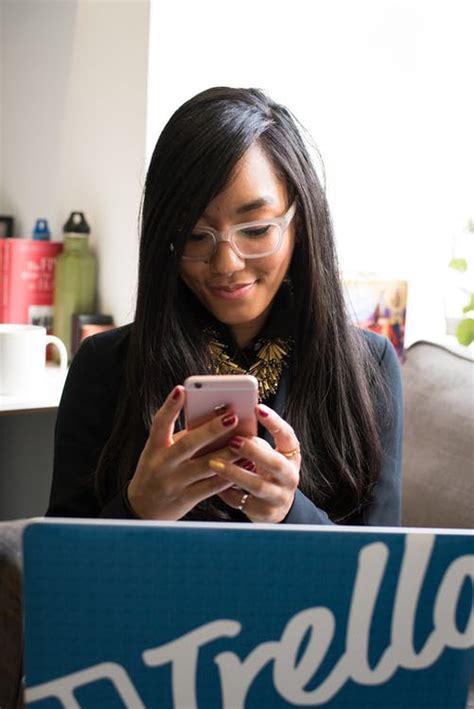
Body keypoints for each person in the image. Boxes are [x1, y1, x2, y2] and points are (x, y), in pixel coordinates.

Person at [47, 87, 402, 525]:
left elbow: (382, 574)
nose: (227, 263)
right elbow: (62, 577)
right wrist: (138, 509)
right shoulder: (104, 367)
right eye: (195, 236)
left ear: (300, 223)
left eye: (255, 230)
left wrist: (290, 514)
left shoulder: (368, 366)